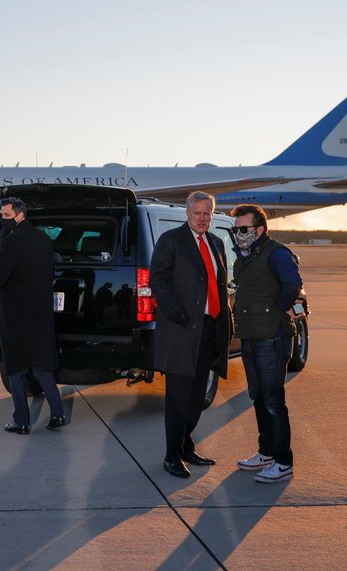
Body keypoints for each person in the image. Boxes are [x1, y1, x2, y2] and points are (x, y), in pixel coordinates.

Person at [150, 191, 232, 479]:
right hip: (181, 330)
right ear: (187, 213)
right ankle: (171, 456)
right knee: (178, 398)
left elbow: (218, 285)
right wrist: (174, 310)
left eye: (207, 213)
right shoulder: (171, 240)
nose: (202, 218)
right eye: (197, 213)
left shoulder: (217, 243)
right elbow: (157, 278)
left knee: (198, 397)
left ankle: (186, 445)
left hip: (209, 330)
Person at [0, 197, 66, 434]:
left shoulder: (11, 242)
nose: (2, 220)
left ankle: (21, 421)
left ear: (20, 215)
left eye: (6, 216)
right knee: (42, 366)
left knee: (16, 369)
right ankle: (57, 413)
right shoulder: (43, 239)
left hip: (16, 314)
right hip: (40, 313)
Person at [229, 204, 302, 483]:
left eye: (243, 229)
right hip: (250, 335)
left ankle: (284, 462)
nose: (239, 234)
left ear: (259, 229)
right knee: (258, 397)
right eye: (236, 230)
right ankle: (267, 452)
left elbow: (293, 284)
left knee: (273, 401)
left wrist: (280, 310)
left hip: (272, 337)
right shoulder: (243, 257)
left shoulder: (277, 253)